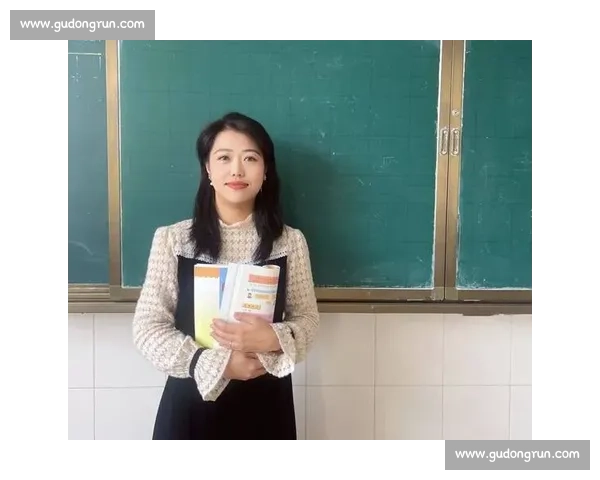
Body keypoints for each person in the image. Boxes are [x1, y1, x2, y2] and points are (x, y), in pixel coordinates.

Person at [132, 112, 320, 440]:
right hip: (191, 407)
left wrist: (273, 338)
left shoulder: (290, 242)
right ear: (208, 169)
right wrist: (214, 364)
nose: (236, 170)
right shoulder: (173, 240)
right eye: (224, 158)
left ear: (265, 171)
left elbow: (307, 321)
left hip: (267, 410)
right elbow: (147, 328)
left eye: (250, 158)